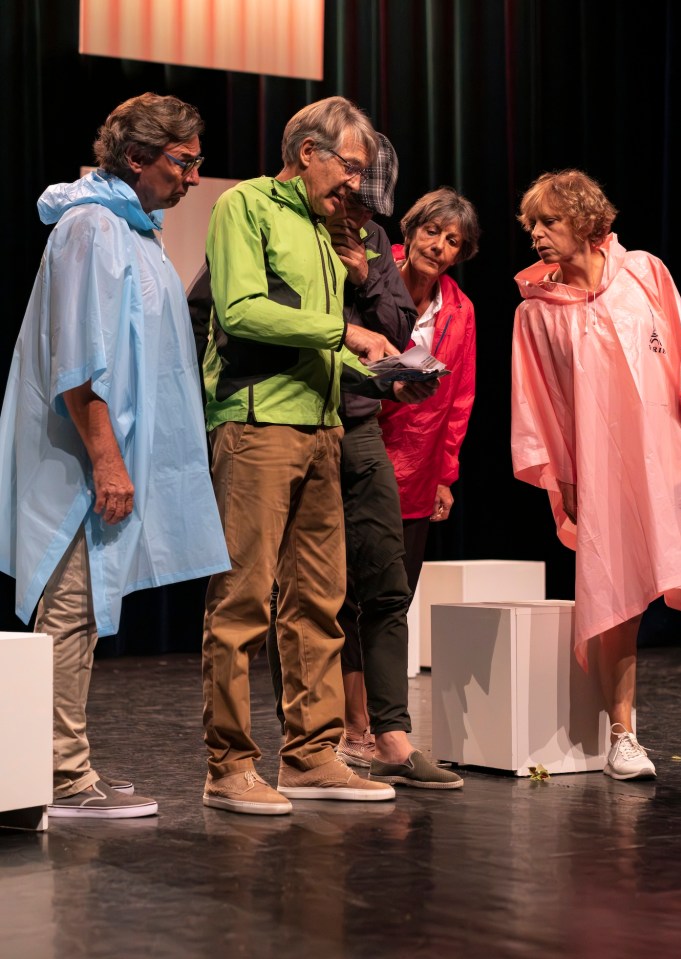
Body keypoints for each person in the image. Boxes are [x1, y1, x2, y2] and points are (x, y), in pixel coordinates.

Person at [0, 93, 230, 818]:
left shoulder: (132, 230)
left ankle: (69, 762)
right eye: (183, 162)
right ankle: (59, 774)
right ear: (136, 157)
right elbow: (79, 364)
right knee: (70, 605)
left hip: (102, 453)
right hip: (81, 458)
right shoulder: (91, 227)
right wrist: (106, 459)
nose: (193, 177)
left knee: (86, 606)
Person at [201, 97, 399, 816]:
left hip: (322, 427)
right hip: (256, 424)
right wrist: (344, 333)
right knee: (241, 599)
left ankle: (311, 756)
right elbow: (241, 310)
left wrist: (381, 371)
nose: (354, 183)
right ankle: (228, 767)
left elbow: (316, 343)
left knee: (319, 600)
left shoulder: (325, 228)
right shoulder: (245, 206)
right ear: (308, 151)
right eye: (349, 166)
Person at [266, 136, 463, 790]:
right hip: (293, 414)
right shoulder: (279, 222)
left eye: (366, 201)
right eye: (349, 192)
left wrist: (364, 279)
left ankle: (392, 738)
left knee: (387, 579)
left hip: (356, 421)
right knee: (305, 590)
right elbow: (230, 311)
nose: (355, 209)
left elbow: (397, 328)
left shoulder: (371, 238)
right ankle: (314, 744)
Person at [512, 168, 681, 782]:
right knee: (616, 597)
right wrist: (565, 476)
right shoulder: (537, 313)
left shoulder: (645, 273)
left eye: (549, 221)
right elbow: (540, 402)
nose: (536, 234)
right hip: (601, 469)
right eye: (531, 224)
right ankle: (623, 734)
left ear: (585, 221)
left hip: (667, 453)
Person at [378, 187, 479, 595]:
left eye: (452, 241)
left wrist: (444, 477)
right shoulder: (372, 278)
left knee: (397, 593)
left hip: (418, 467)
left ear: (458, 255)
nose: (438, 247)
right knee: (344, 594)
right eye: (432, 231)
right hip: (360, 450)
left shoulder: (461, 310)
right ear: (411, 232)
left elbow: (459, 400)